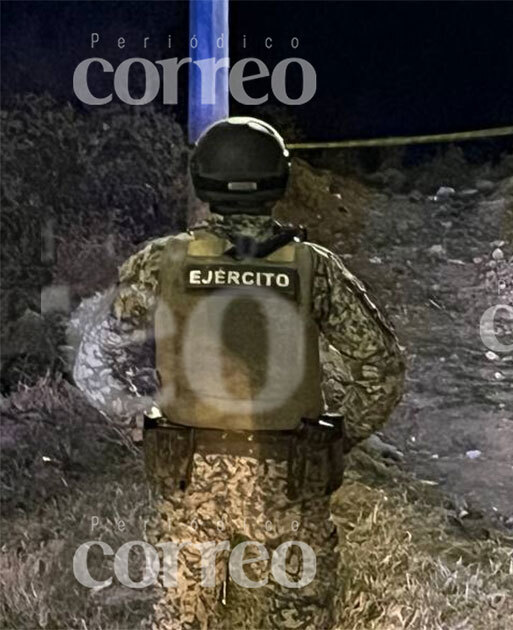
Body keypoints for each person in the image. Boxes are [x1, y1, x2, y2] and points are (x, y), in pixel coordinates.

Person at [75, 117, 406, 629]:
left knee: (182, 621)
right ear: (280, 179)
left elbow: (95, 368)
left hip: (188, 479)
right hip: (292, 480)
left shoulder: (158, 263)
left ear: (202, 182)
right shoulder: (313, 268)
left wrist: (142, 429)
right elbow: (381, 367)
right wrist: (337, 438)